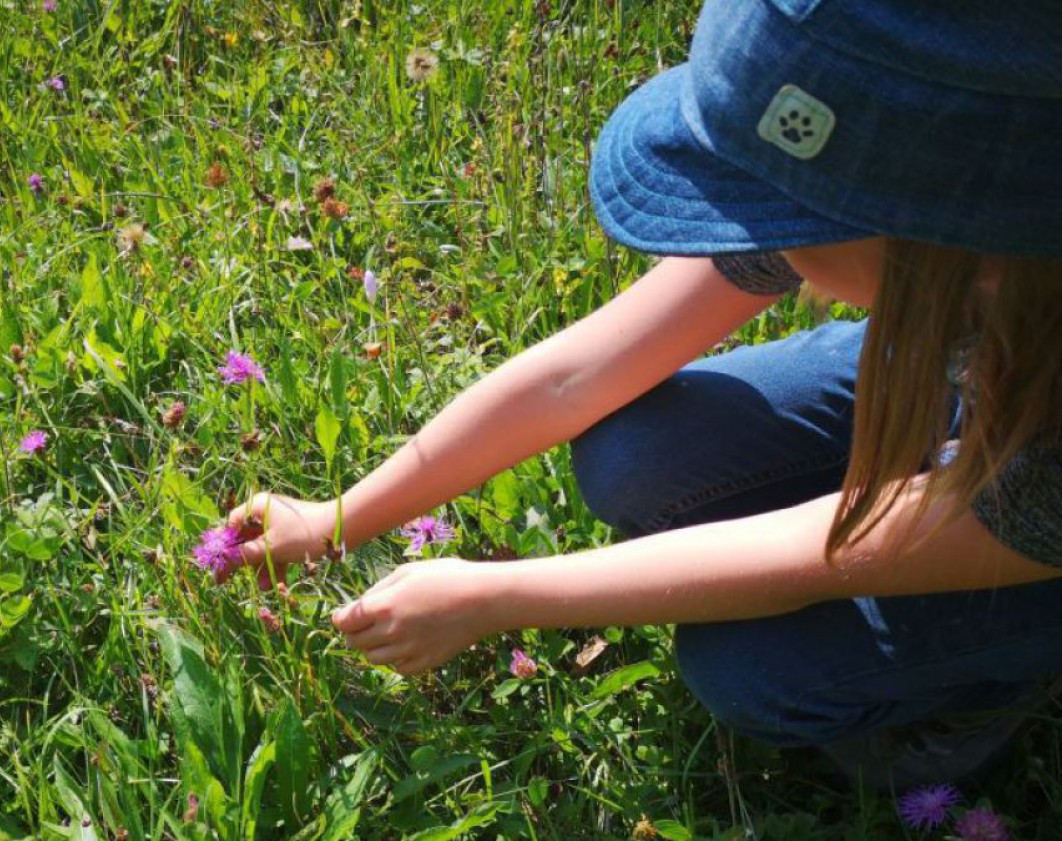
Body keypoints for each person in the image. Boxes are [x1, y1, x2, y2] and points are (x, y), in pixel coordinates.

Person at [217, 0, 1062, 789]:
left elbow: (828, 553)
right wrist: (337, 516)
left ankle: (980, 692)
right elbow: (578, 374)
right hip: (966, 365)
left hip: (1031, 493)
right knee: (636, 454)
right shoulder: (931, 219)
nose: (746, 231)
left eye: (767, 210)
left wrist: (491, 597)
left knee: (758, 671)